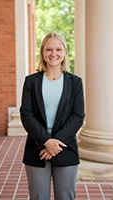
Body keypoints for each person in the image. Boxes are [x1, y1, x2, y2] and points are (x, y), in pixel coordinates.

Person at [20, 32, 85, 200]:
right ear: (42, 53)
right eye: (49, 49)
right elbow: (26, 115)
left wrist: (54, 144)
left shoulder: (75, 82)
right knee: (38, 197)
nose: (53, 54)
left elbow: (78, 116)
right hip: (37, 147)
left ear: (64, 52)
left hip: (65, 146)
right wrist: (46, 142)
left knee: (65, 197)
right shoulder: (31, 81)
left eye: (58, 49)